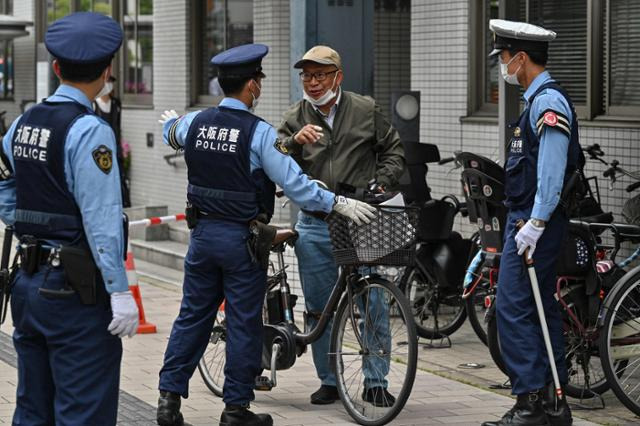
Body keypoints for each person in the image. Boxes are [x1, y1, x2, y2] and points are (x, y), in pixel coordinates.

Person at [155, 43, 376, 426]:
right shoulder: (259, 134)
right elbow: (297, 185)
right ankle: (235, 409)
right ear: (252, 87)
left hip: (203, 237)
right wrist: (338, 203)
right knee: (242, 323)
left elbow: (172, 134)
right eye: (259, 80)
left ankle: (168, 401)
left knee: (192, 317)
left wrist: (169, 126)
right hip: (242, 242)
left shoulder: (195, 123)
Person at [0, 12, 139, 425]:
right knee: (83, 410)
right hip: (74, 292)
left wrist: (26, 223)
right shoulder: (89, 130)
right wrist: (119, 289)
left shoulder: (25, 121)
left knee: (32, 407)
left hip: (27, 282)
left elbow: (4, 183)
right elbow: (102, 218)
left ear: (57, 68)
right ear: (107, 71)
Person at [277, 45, 405, 406]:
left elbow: (393, 149)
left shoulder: (365, 109)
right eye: (306, 75)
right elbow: (273, 155)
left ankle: (376, 380)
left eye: (320, 75)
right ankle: (330, 379)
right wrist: (292, 142)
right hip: (316, 223)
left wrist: (382, 181)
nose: (312, 82)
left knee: (374, 300)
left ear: (338, 77)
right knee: (320, 306)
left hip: (361, 219)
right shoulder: (295, 115)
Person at [481, 19, 581, 426]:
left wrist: (536, 222)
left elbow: (553, 173)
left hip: (534, 224)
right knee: (540, 312)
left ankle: (530, 404)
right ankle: (553, 404)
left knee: (515, 308)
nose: (502, 66)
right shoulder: (534, 101)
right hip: (527, 221)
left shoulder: (548, 103)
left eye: (503, 58)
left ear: (520, 58)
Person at [94, 75, 131, 207]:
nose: (109, 85)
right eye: (106, 82)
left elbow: (118, 127)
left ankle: (122, 204)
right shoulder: (93, 104)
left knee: (119, 178)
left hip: (115, 148)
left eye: (110, 82)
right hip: (99, 150)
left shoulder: (116, 103)